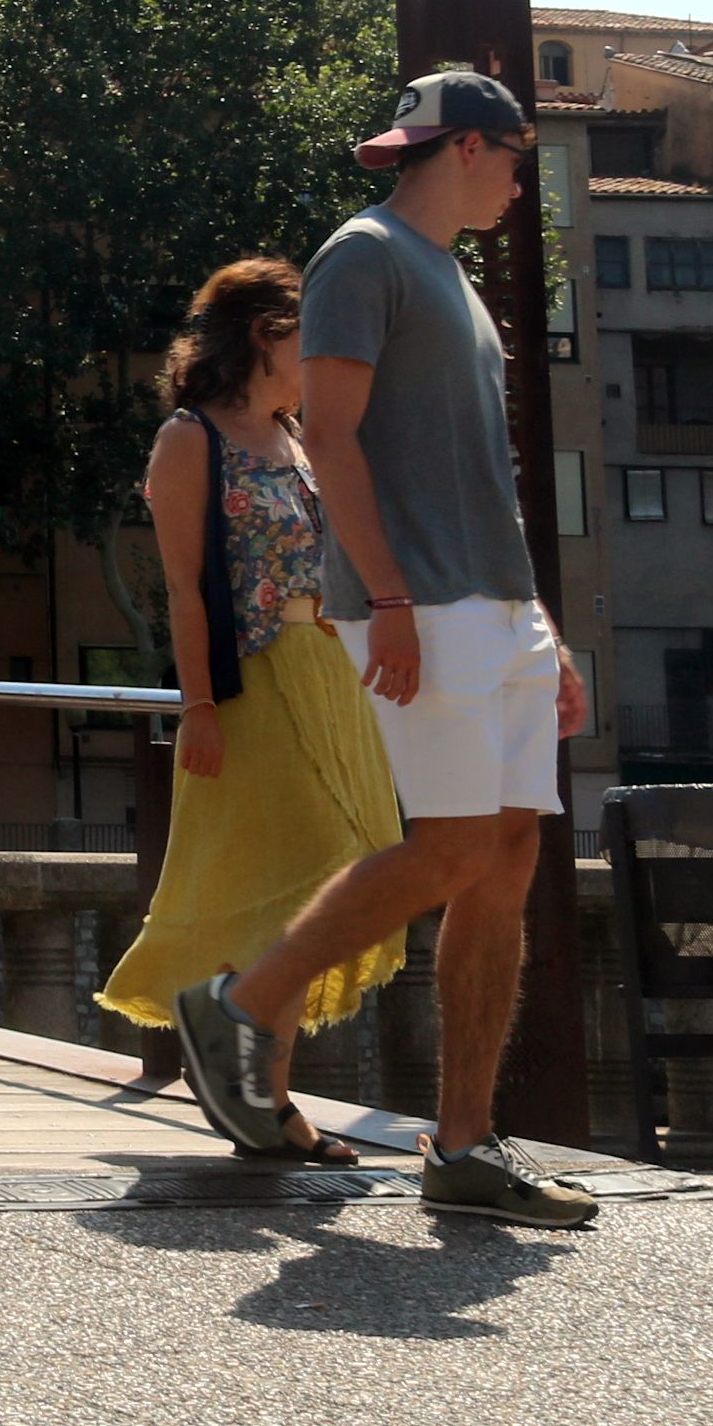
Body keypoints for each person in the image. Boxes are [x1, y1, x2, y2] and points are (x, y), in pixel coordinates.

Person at [174, 69, 600, 1227]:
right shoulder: (360, 255)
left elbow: (485, 475)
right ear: (468, 146)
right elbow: (338, 435)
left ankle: (465, 1145)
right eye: (518, 156)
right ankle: (242, 1000)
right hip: (428, 603)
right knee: (454, 848)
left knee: (505, 859)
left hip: (494, 606)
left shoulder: (452, 278)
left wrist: (544, 630)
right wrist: (396, 600)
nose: (523, 181)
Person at [94, 260, 404, 1161]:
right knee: (293, 872)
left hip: (332, 676)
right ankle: (252, 1085)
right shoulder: (191, 439)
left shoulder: (301, 437)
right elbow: (185, 591)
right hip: (257, 680)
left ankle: (263, 1098)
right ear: (267, 334)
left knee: (329, 879)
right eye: (312, 333)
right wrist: (199, 705)